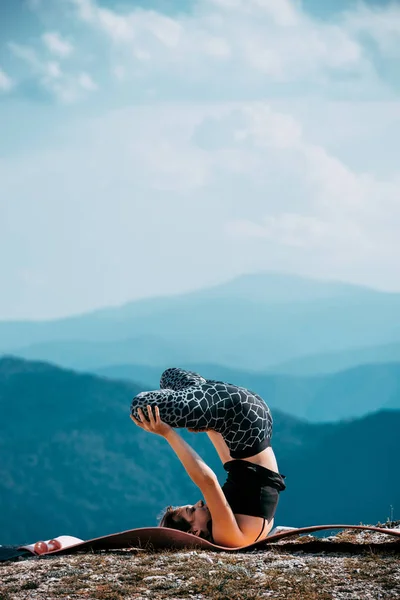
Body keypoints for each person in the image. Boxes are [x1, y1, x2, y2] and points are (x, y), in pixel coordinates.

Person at [130, 368, 286, 548]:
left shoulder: (239, 531)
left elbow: (237, 466)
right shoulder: (227, 537)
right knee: (141, 407)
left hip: (250, 422)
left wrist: (210, 427)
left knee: (170, 377)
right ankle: (195, 392)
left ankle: (198, 390)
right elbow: (207, 481)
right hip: (241, 417)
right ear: (194, 532)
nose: (198, 503)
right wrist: (167, 433)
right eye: (191, 511)